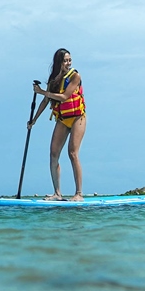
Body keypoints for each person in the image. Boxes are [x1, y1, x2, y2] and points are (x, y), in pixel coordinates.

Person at [28, 48, 86, 201]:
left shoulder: (75, 76)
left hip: (77, 118)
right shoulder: (54, 78)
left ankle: (79, 194)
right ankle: (57, 193)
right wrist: (34, 120)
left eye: (69, 60)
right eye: (65, 60)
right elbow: (46, 101)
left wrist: (42, 92)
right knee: (53, 153)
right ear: (58, 62)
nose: (68, 63)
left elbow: (65, 96)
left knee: (72, 153)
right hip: (62, 118)